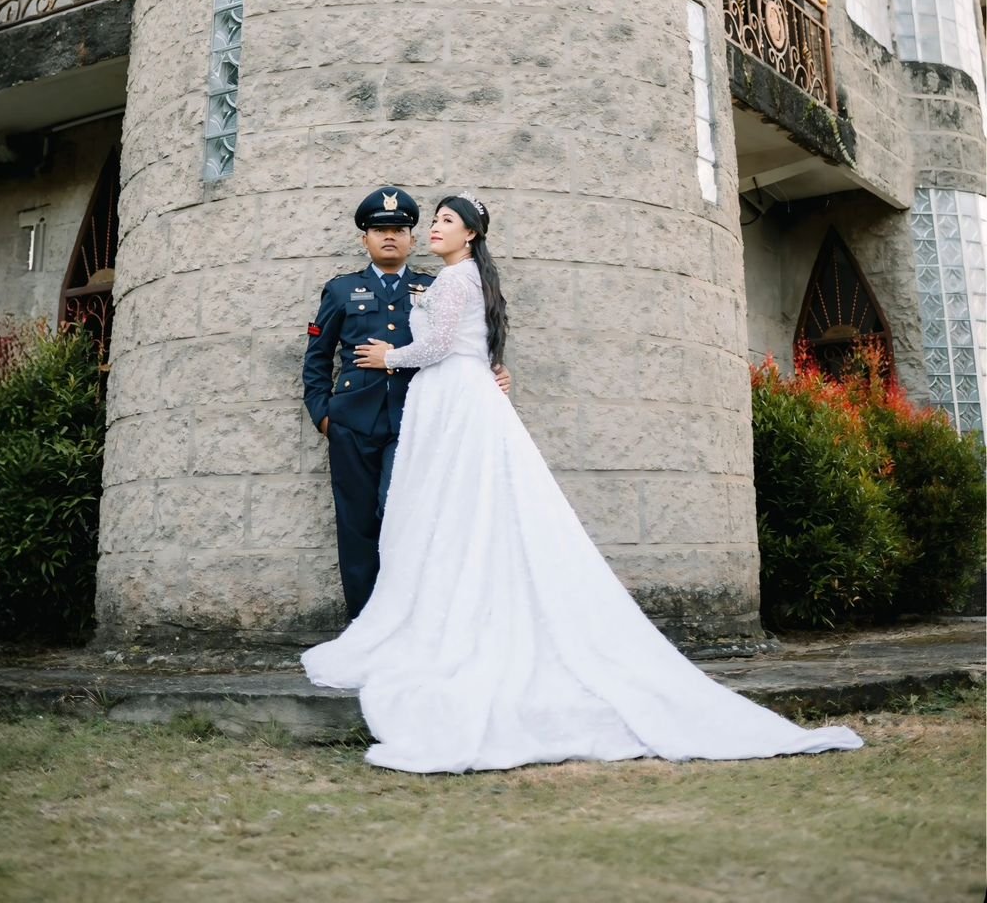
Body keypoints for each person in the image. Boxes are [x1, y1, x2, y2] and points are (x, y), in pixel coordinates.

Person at [303, 192, 864, 773]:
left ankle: (429, 627)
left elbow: (446, 344)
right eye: (410, 225)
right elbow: (328, 354)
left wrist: (405, 358)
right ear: (367, 235)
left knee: (439, 520)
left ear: (466, 234)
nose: (417, 231)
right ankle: (385, 621)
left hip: (440, 409)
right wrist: (327, 415)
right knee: (391, 524)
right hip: (381, 418)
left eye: (437, 222)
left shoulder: (442, 281)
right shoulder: (369, 287)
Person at [302, 186, 510, 620]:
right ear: (364, 239)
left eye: (399, 229)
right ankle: (364, 622)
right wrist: (324, 417)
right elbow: (317, 359)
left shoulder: (434, 286)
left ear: (412, 240)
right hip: (352, 423)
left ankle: (407, 619)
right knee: (357, 525)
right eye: (380, 230)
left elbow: (460, 342)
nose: (389, 237)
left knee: (406, 519)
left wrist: (493, 372)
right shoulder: (341, 290)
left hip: (414, 421)